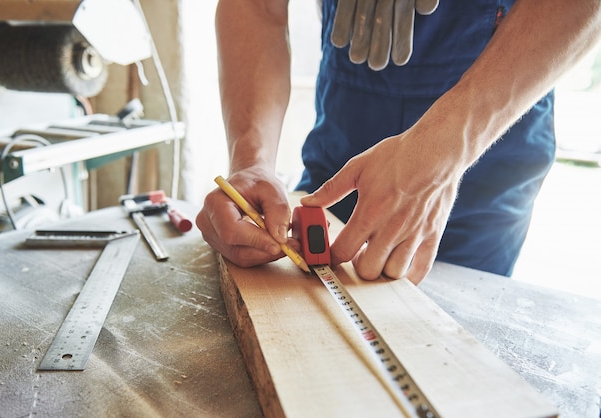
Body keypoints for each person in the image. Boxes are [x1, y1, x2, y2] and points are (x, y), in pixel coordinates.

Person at [196, 0, 601, 285]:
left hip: (487, 139)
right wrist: (252, 159)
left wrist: (447, 148)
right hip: (342, 143)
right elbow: (257, 7)